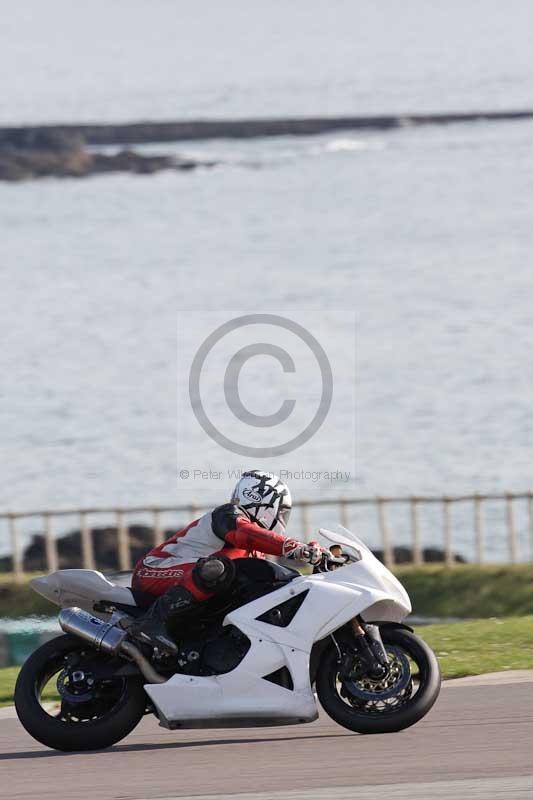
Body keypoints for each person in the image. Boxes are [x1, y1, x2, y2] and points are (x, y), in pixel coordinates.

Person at [129, 470, 328, 654]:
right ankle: (153, 621)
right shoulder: (228, 514)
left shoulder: (256, 549)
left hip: (184, 576)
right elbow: (244, 534)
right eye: (282, 512)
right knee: (219, 568)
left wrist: (317, 563)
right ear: (263, 503)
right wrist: (294, 547)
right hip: (154, 570)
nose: (283, 518)